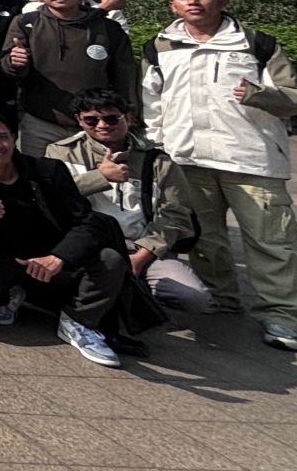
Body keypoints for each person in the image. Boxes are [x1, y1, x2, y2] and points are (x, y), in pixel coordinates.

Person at [141, 0, 297, 351]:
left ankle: (282, 316)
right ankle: (221, 298)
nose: (193, 1)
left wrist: (259, 94)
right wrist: (159, 146)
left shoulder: (256, 44)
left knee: (270, 242)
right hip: (187, 158)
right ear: (173, 5)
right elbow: (151, 103)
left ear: (221, 2)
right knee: (205, 239)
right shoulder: (160, 47)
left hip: (251, 159)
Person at [0, 109, 133, 366]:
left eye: (3, 136)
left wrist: (58, 257)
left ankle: (78, 321)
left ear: (14, 138)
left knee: (109, 260)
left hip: (49, 255)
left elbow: (86, 222)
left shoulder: (48, 171)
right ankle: (14, 293)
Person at [47, 89, 208, 314]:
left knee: (194, 298)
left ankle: (135, 295)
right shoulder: (61, 152)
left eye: (111, 118)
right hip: (86, 246)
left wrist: (142, 255)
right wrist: (100, 178)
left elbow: (176, 216)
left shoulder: (158, 162)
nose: (102, 125)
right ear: (79, 120)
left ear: (128, 118)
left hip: (140, 247)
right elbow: (50, 196)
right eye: (91, 120)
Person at [5, 0, 136, 152]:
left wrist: (128, 111)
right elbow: (10, 69)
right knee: (38, 171)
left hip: (96, 123)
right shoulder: (25, 23)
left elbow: (125, 75)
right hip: (41, 123)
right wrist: (14, 62)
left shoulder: (108, 28)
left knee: (102, 172)